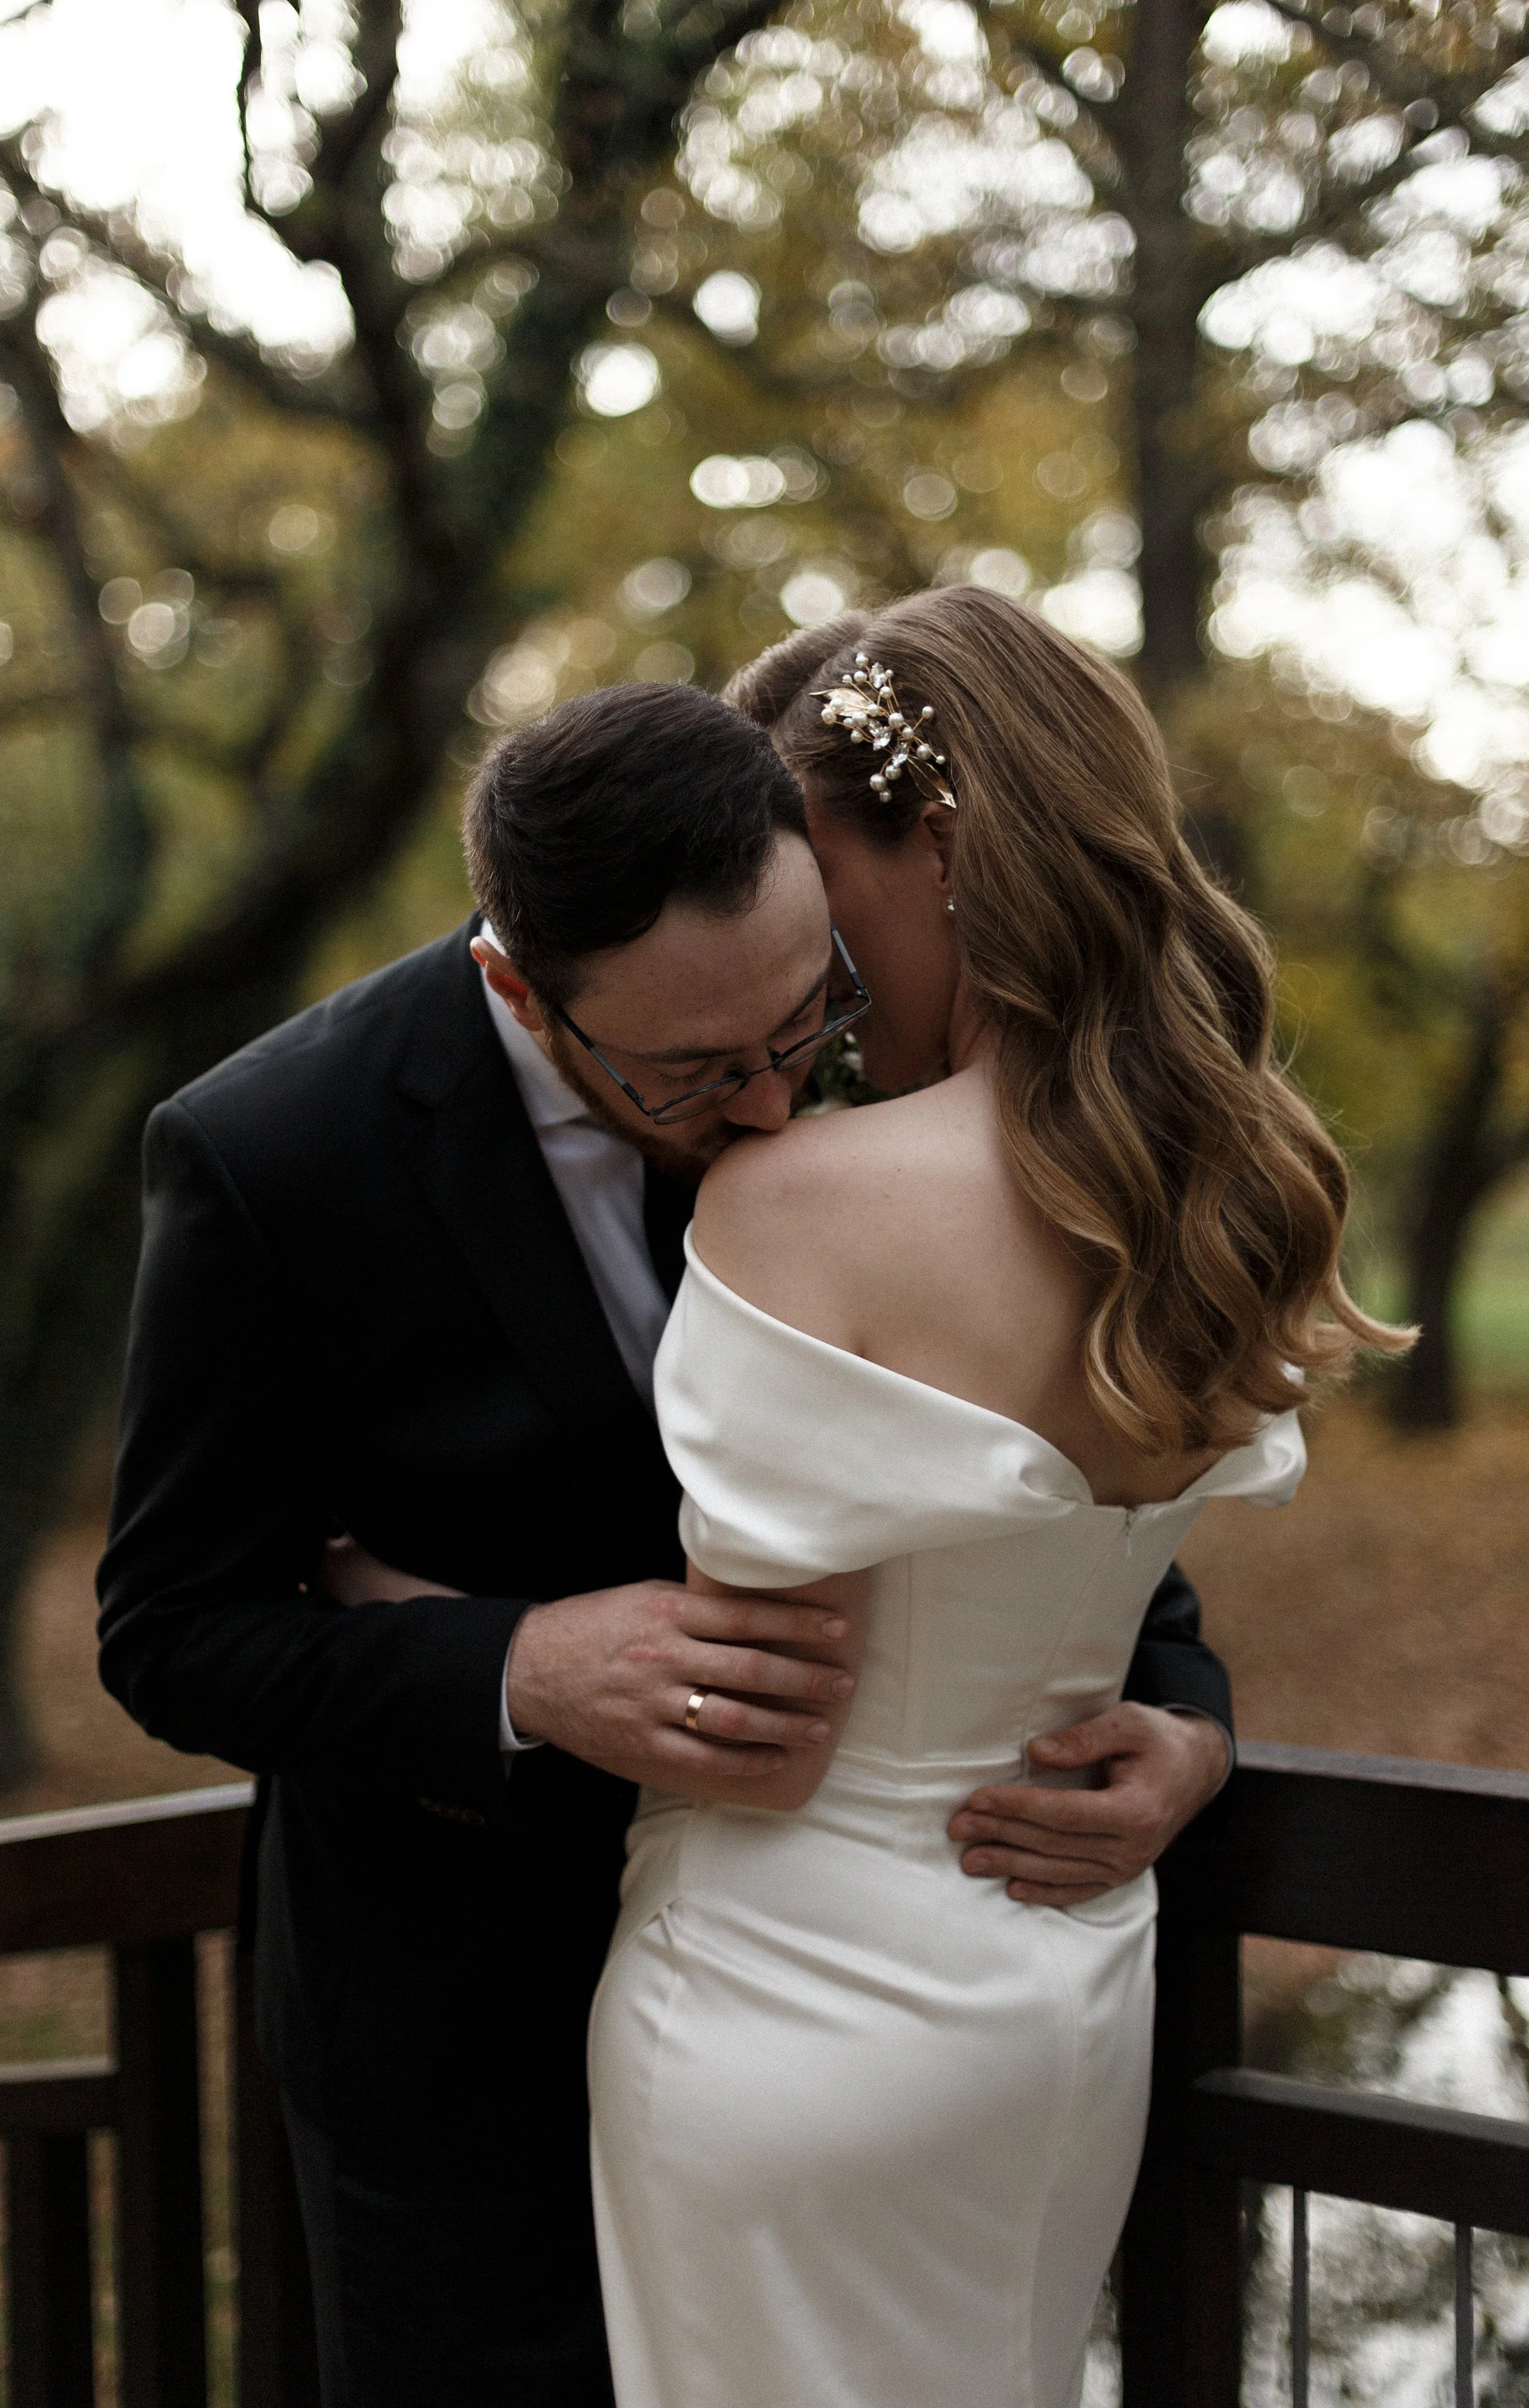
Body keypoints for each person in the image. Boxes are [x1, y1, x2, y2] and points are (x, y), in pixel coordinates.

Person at [98, 679, 1236, 2408]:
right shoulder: (271, 1156)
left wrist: (1180, 1708)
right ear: (513, 982)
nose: (774, 1105)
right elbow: (170, 1622)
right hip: (463, 2048)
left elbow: (1026, 1469)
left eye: (801, 1027)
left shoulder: (865, 1066)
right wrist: (519, 1670)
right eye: (696, 1071)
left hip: (845, 2025)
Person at [586, 590, 1411, 2408]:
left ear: (941, 841)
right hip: (1051, 1978)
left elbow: (751, 1649)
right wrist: (1185, 1740)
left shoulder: (794, 1203)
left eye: (826, 891)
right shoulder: (1234, 1190)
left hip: (782, 1979)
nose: (810, 972)